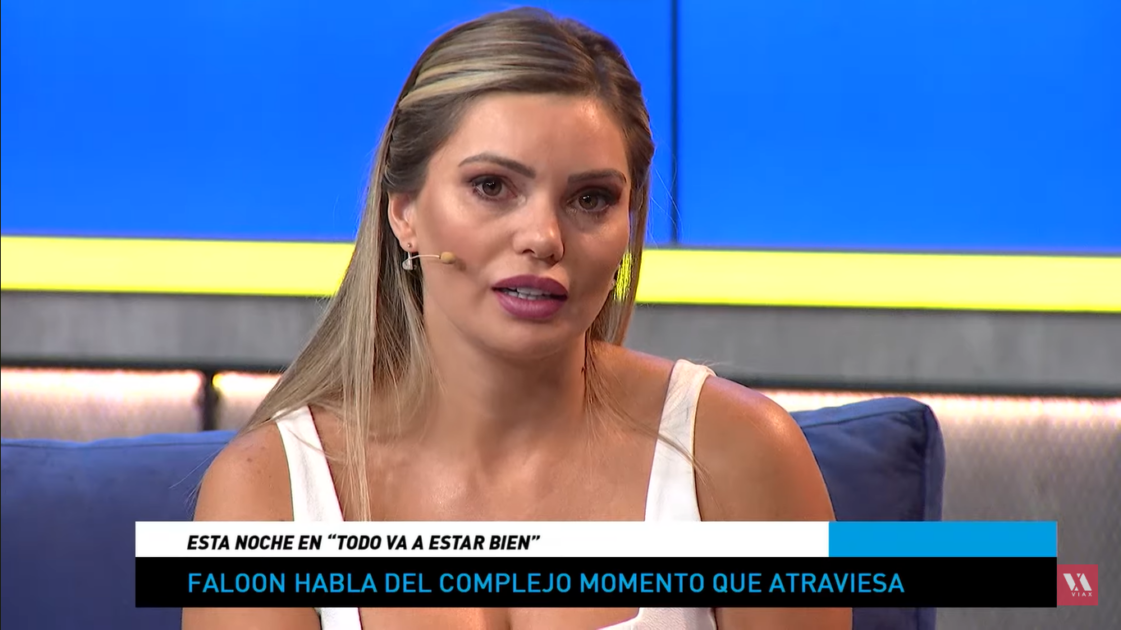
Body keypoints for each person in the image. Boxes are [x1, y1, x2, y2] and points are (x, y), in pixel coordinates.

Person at [186, 7, 849, 630]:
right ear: (404, 213)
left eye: (591, 199)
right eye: (492, 187)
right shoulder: (264, 493)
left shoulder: (740, 455)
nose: (543, 239)